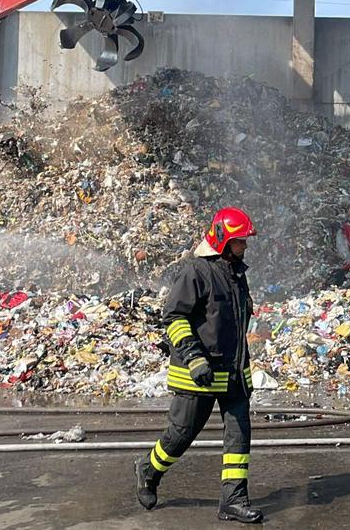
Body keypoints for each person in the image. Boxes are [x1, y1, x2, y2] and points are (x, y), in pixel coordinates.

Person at [135, 207, 263, 523]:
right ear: (223, 240)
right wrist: (194, 358)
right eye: (240, 241)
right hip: (199, 376)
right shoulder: (196, 272)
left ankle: (233, 501)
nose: (244, 246)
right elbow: (174, 317)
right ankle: (149, 470)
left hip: (233, 376)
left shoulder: (235, 272)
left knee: (239, 437)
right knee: (180, 435)